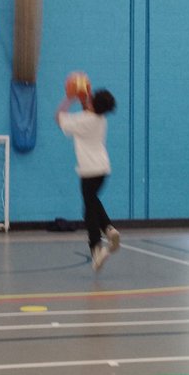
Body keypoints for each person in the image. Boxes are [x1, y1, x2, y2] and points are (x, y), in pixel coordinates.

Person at [55, 86, 120, 271]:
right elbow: (89, 111)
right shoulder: (100, 119)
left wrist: (69, 98)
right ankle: (108, 228)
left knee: (89, 210)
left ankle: (97, 248)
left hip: (89, 171)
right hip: (102, 170)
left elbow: (58, 118)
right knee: (92, 202)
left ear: (93, 103)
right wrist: (85, 99)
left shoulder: (83, 120)